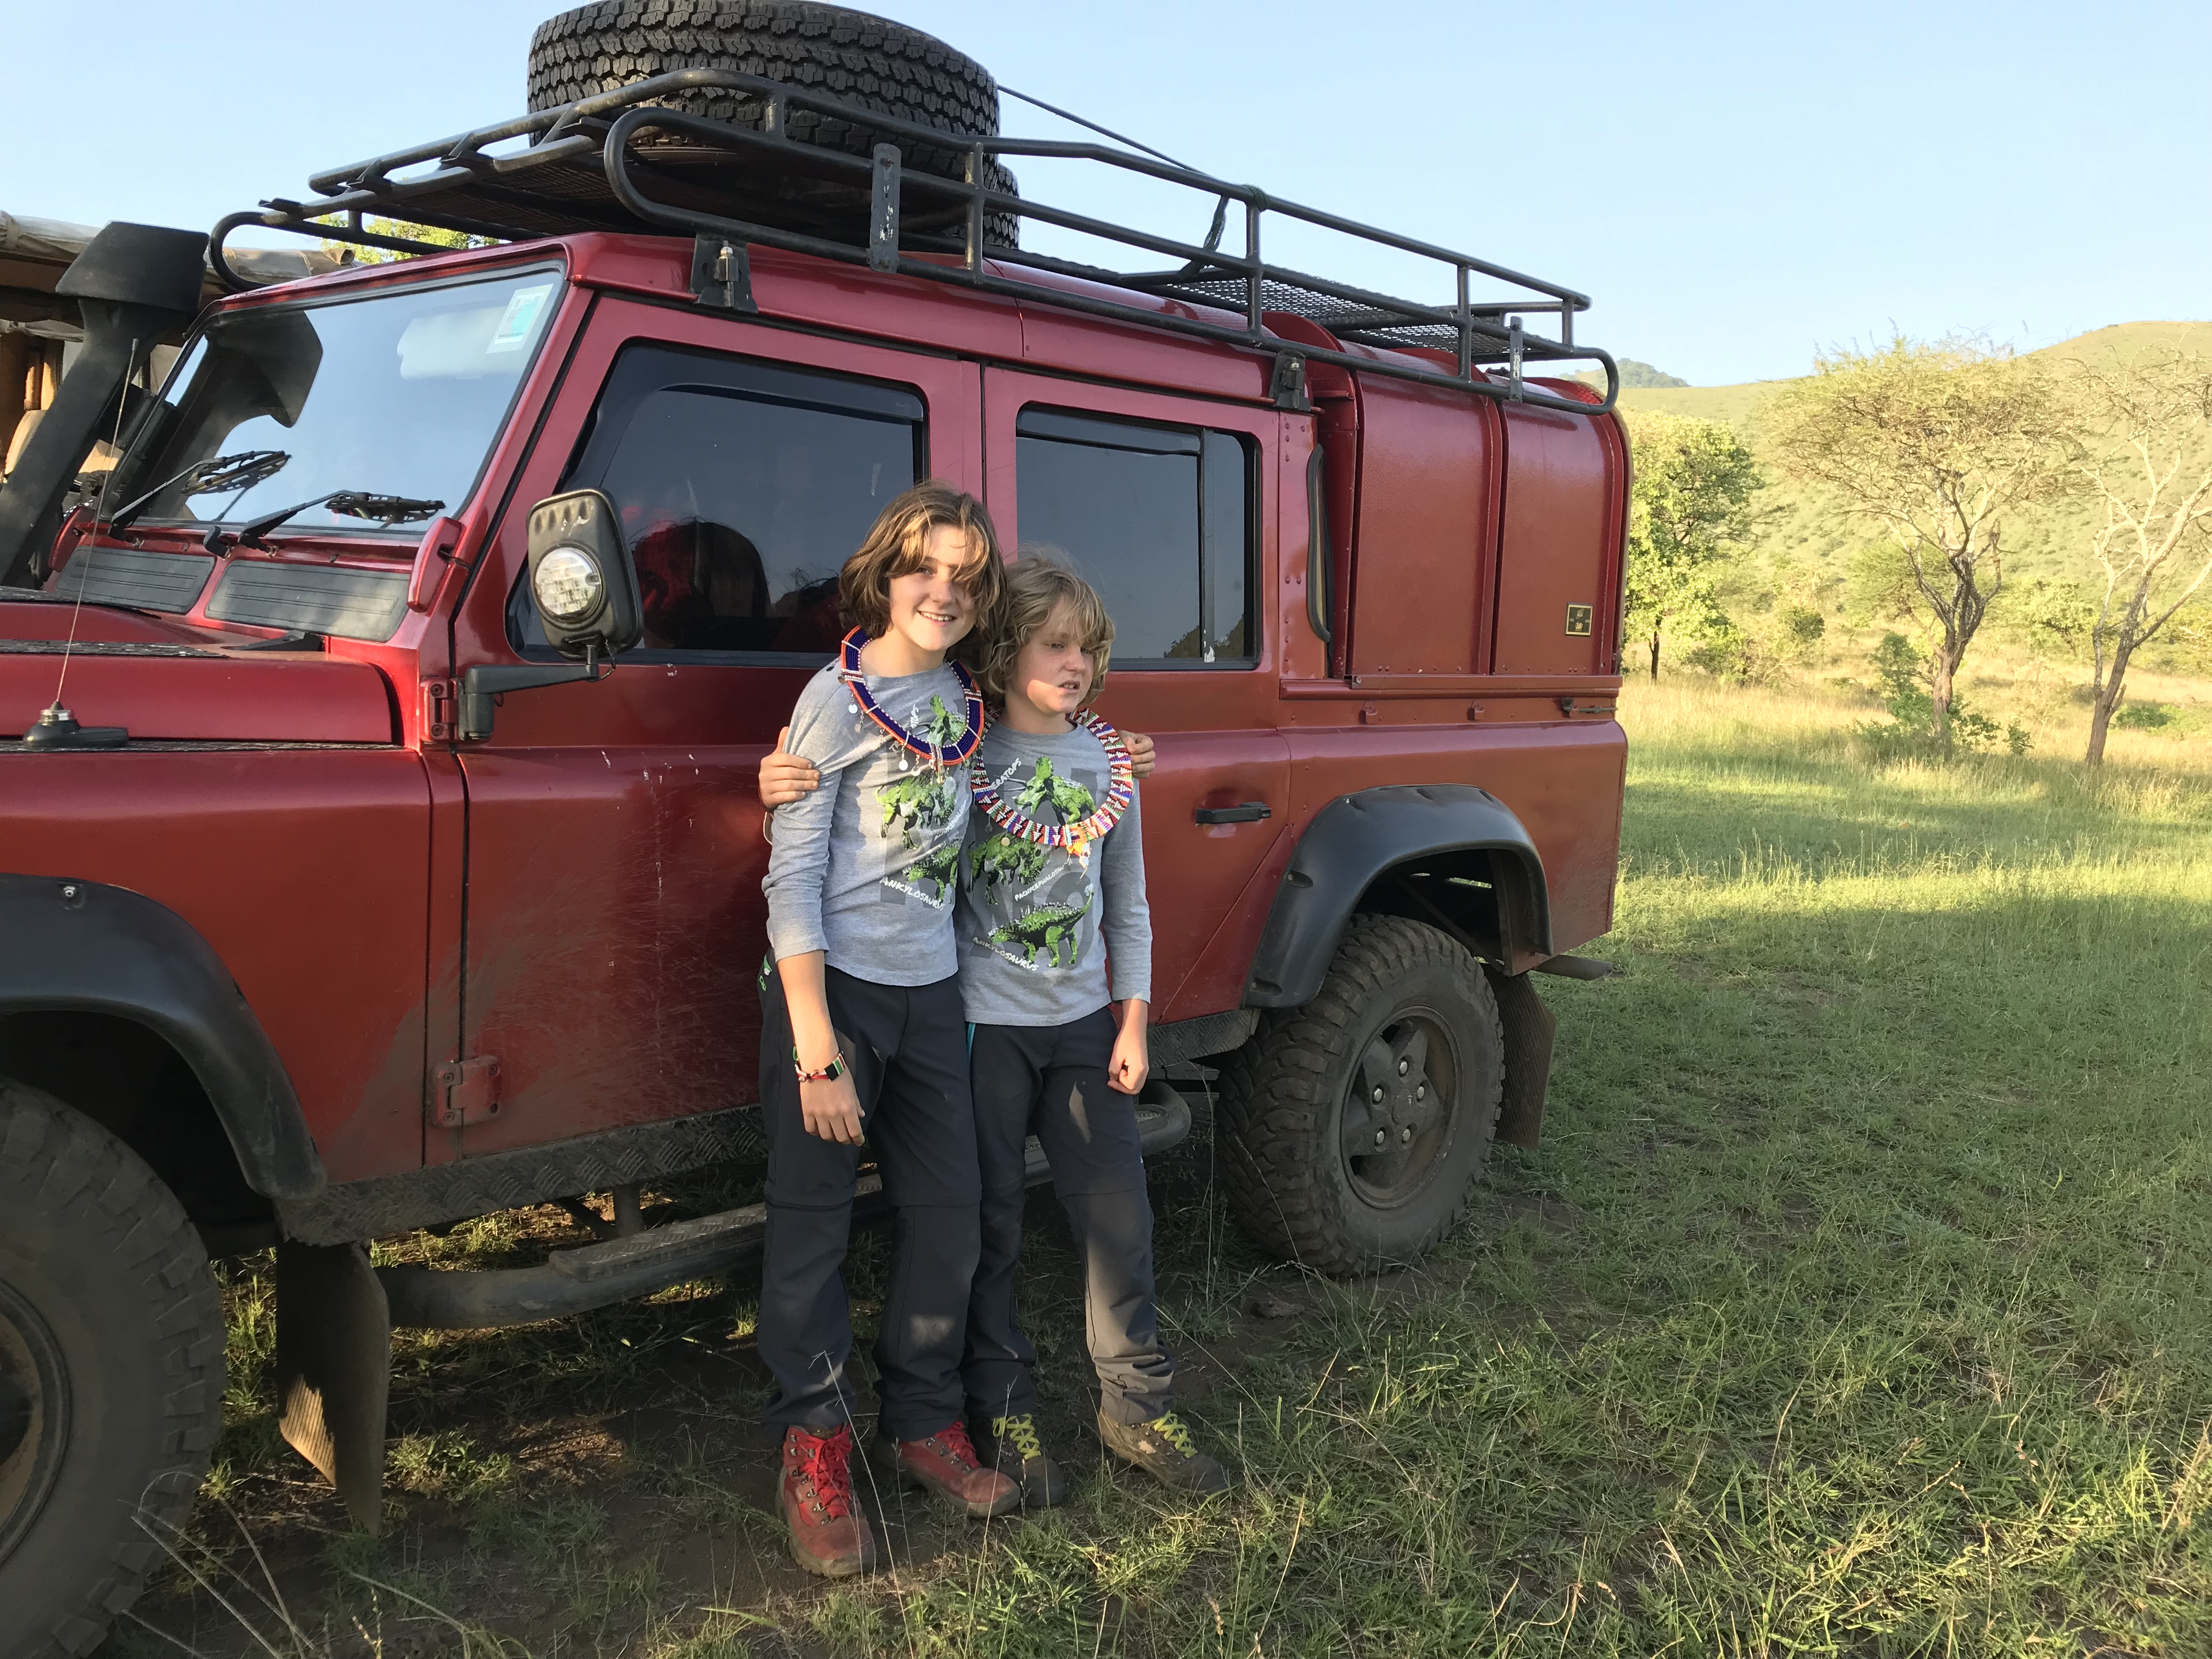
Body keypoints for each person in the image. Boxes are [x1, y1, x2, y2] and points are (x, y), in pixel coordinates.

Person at [755, 480, 1018, 1579]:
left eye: (966, 577)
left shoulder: (968, 697)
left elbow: (1052, 728)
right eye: (925, 568)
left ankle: (923, 1422)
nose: (943, 592)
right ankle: (813, 1446)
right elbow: (792, 878)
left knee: (951, 1214)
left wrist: (1122, 750)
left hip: (933, 994)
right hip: (837, 999)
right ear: (884, 573)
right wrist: (816, 1048)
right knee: (812, 1228)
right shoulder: (834, 698)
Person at [955, 556, 1228, 1503]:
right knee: (989, 1221)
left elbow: (1129, 906)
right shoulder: (965, 756)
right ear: (1004, 650)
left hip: (1083, 1027)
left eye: (1088, 648)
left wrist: (1134, 1022)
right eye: (1054, 644)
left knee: (1119, 1218)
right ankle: (1003, 1407)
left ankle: (1136, 1407)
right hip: (984, 1031)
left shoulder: (1113, 765)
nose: (1075, 663)